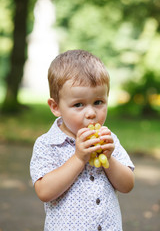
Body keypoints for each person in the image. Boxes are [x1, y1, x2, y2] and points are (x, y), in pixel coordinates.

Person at [30, 49, 135, 231]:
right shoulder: (47, 144)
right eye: (78, 104)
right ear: (56, 107)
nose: (91, 113)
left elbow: (127, 185)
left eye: (98, 102)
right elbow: (44, 192)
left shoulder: (109, 140)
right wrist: (78, 158)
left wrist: (109, 158)